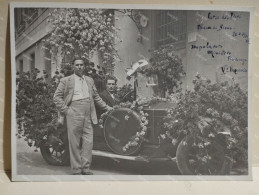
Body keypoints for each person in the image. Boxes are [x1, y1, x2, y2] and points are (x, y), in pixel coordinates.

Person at [53, 57, 112, 175]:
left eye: (81, 65)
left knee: (88, 141)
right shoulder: (66, 80)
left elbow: (96, 97)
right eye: (77, 65)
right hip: (74, 111)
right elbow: (56, 97)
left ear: (84, 67)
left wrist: (107, 107)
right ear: (73, 67)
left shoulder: (89, 80)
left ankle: (86, 168)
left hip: (89, 112)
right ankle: (76, 169)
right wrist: (66, 110)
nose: (79, 67)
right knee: (74, 141)